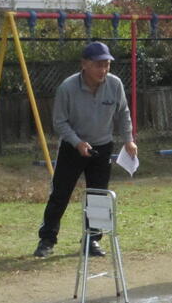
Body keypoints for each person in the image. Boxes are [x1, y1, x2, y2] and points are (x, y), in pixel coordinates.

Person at [34, 41, 136, 258]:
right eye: (99, 65)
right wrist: (77, 142)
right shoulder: (67, 88)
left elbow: (123, 113)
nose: (103, 70)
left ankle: (92, 240)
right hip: (73, 147)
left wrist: (129, 140)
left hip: (102, 148)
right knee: (60, 193)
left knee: (99, 196)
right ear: (84, 64)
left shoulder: (115, 84)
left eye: (107, 65)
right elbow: (59, 122)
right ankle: (47, 240)